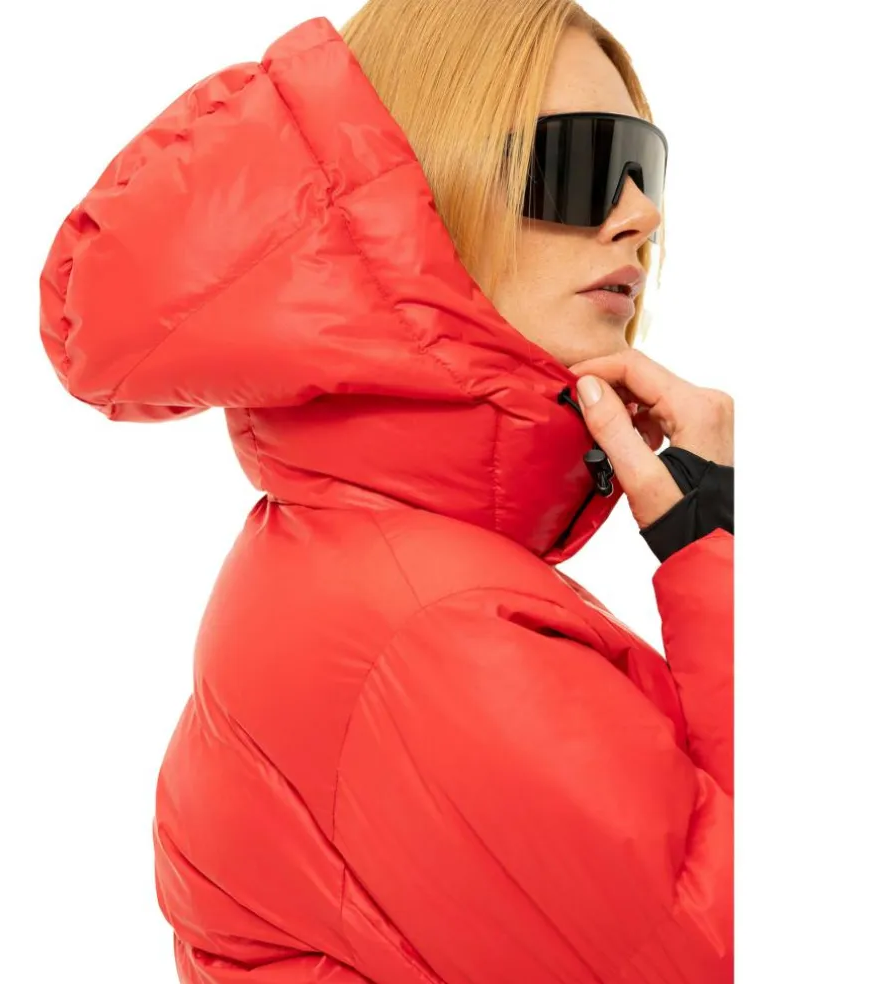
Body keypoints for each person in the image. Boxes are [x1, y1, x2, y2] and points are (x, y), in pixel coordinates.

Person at [38, 2, 734, 982]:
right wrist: (723, 560)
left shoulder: (356, 545)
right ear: (420, 195)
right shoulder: (434, 624)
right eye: (578, 162)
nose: (639, 216)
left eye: (642, 167)